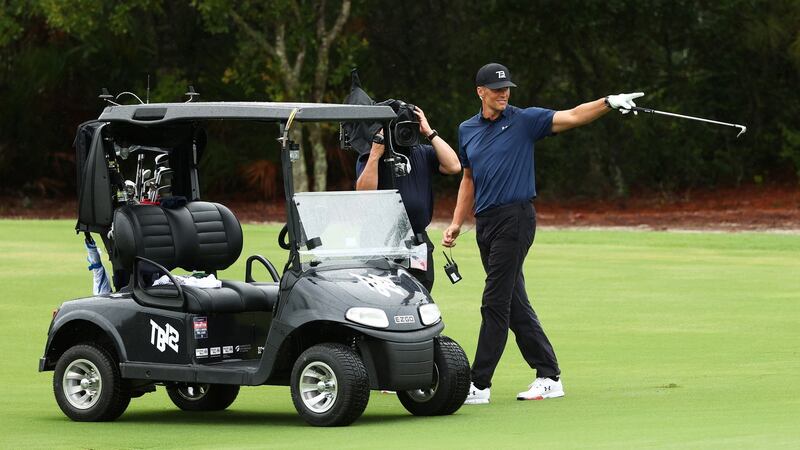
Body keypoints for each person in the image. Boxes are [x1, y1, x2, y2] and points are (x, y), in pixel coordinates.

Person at [442, 62, 643, 404]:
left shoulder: (525, 120)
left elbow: (574, 116)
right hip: (486, 224)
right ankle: (549, 376)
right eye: (496, 89)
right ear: (480, 92)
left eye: (507, 89)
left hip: (516, 218)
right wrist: (457, 222)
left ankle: (478, 384)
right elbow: (468, 178)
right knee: (514, 303)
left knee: (494, 302)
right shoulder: (467, 129)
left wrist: (607, 102)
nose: (504, 94)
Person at [356, 106, 461, 291]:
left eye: (408, 127)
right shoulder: (372, 155)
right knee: (382, 299)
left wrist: (429, 132)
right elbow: (364, 194)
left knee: (420, 296)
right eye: (399, 128)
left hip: (417, 241)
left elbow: (453, 166)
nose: (404, 133)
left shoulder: (422, 152)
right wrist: (374, 155)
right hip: (381, 241)